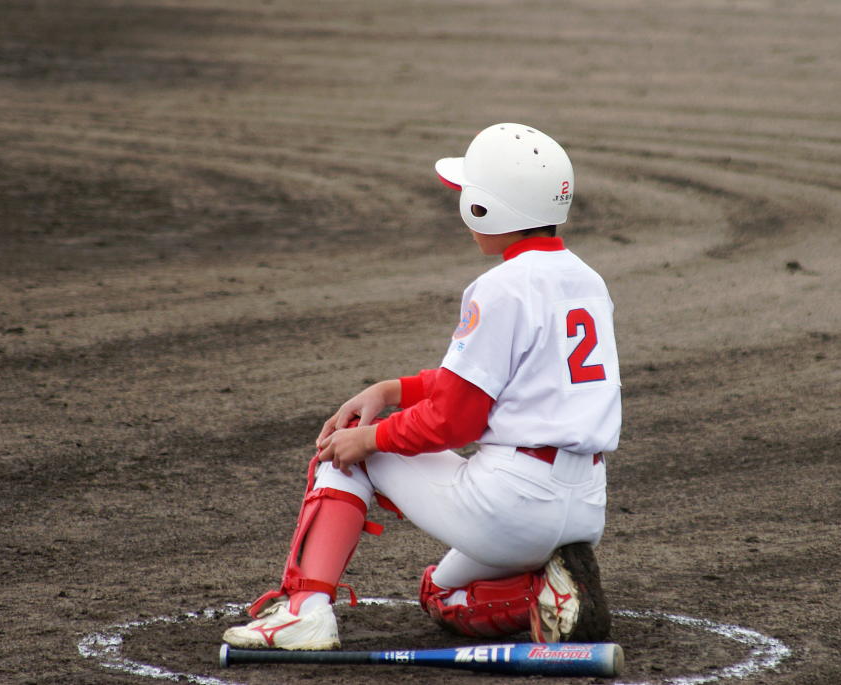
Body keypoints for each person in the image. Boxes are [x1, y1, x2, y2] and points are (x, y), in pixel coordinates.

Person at [222, 123, 622, 650]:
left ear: (485, 208)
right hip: (585, 503)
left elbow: (456, 420)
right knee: (443, 595)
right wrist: (393, 390)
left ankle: (304, 611)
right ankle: (551, 593)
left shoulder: (500, 287)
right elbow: (504, 379)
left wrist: (370, 438)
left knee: (344, 448)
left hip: (512, 502)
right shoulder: (587, 280)